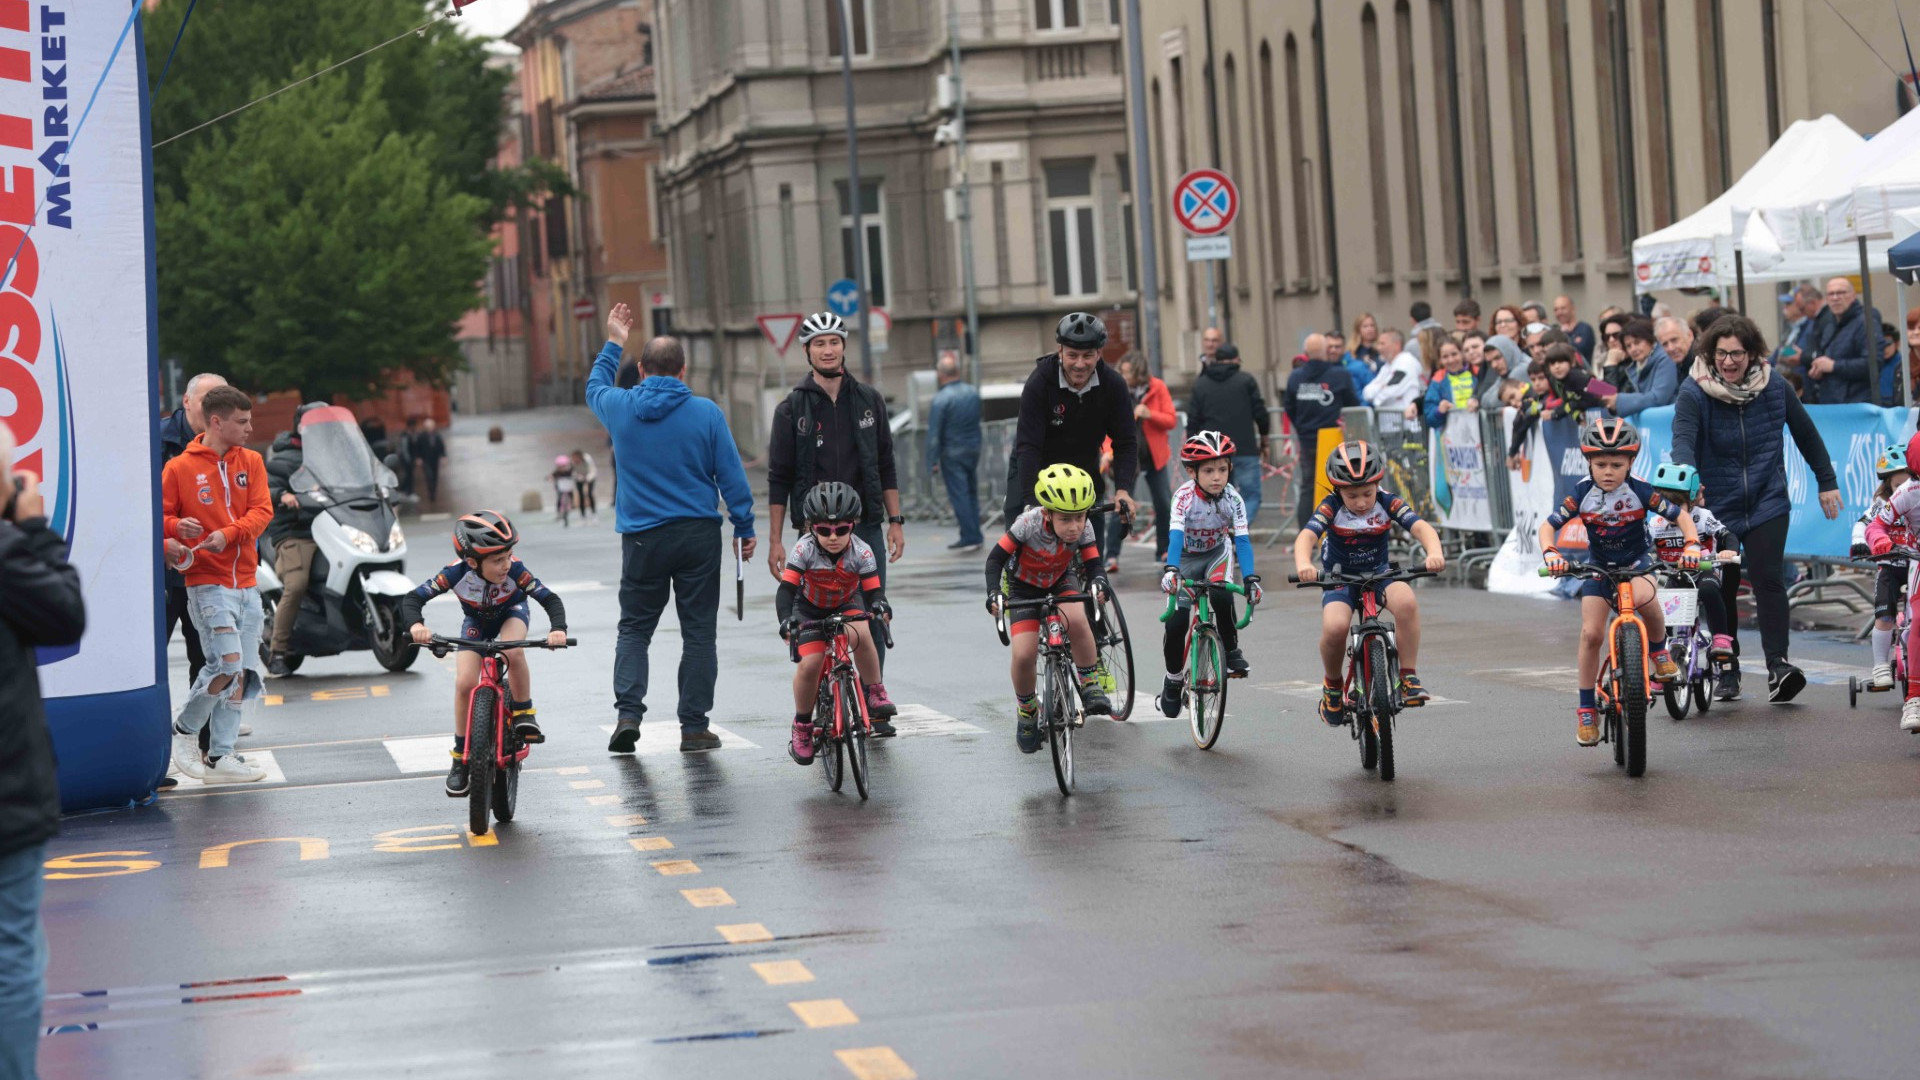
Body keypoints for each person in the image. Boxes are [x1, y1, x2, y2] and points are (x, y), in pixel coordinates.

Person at [589, 304, 757, 753]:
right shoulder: (706, 413)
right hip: (698, 536)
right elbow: (731, 477)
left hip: (643, 537)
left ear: (641, 370)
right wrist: (744, 526)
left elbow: (594, 387)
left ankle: (628, 714)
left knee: (634, 630)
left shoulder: (620, 407)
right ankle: (694, 727)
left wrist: (614, 341)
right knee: (698, 632)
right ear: (684, 371)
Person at [1671, 314, 1841, 703]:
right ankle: (1726, 665)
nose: (1729, 362)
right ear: (1710, 354)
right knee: (1725, 583)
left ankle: (1778, 665)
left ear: (1752, 354)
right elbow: (1683, 439)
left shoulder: (1774, 385)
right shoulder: (1694, 390)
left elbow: (1805, 433)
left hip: (1767, 497)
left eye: (1737, 354)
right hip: (1717, 502)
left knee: (1768, 578)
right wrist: (1688, 481)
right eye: (1722, 354)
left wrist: (1826, 481)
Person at [0, 420, 83, 1077]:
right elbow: (63, 615)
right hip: (6, 790)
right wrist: (32, 529)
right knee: (12, 951)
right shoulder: (8, 551)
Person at [1541, 419, 1702, 746]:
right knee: (1591, 634)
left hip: (1638, 562)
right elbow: (1549, 525)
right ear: (1589, 462)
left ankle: (1658, 653)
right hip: (1599, 567)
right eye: (1600, 464)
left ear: (1631, 462)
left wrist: (1692, 545)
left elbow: (1681, 517)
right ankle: (1587, 708)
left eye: (1617, 464)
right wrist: (1551, 553)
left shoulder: (1640, 489)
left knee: (1647, 602)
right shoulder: (1582, 492)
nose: (1608, 472)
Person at [768, 312, 904, 672]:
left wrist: (896, 521)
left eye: (834, 342)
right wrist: (776, 540)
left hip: (865, 526)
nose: (827, 350)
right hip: (815, 531)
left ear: (844, 346)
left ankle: (871, 695)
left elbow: (886, 463)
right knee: (816, 617)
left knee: (873, 612)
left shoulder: (869, 400)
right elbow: (778, 478)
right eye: (819, 344)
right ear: (807, 351)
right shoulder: (791, 409)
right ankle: (825, 694)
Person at [402, 511, 568, 794]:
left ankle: (523, 711)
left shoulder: (516, 570)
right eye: (497, 560)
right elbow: (413, 598)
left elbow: (549, 598)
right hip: (476, 622)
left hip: (512, 613)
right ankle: (460, 759)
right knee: (465, 682)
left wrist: (558, 629)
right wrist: (417, 625)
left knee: (513, 651)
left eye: (509, 556)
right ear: (472, 562)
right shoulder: (454, 573)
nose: (506, 565)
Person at [160, 386, 274, 783]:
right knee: (224, 664)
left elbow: (262, 511)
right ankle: (184, 732)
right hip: (206, 583)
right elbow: (157, 518)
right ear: (216, 421)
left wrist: (228, 535)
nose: (249, 427)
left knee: (241, 671)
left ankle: (221, 755)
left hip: (246, 583)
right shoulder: (178, 468)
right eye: (241, 421)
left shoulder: (253, 461)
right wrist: (175, 527)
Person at [1295, 441, 1445, 726]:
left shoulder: (1388, 500)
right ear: (1338, 490)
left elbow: (1421, 527)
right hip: (1340, 576)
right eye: (1352, 495)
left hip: (1378, 572)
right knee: (1336, 627)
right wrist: (1304, 564)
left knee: (1407, 603)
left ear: (1378, 484)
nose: (1362, 502)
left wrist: (1434, 553)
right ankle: (1332, 687)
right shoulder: (1331, 506)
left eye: (1367, 493)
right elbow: (1307, 537)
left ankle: (1408, 677)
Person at [984, 464, 1113, 752]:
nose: (1074, 526)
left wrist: (1099, 583)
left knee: (1078, 621)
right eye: (1066, 519)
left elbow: (1093, 564)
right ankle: (1028, 711)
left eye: (1079, 517)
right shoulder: (1027, 524)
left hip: (1059, 579)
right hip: (1023, 586)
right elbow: (994, 561)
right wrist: (994, 593)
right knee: (1023, 654)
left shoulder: (1084, 526)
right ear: (1047, 513)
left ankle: (1090, 683)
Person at [777, 482, 896, 762]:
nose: (833, 537)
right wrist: (786, 620)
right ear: (811, 528)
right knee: (810, 663)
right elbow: (786, 591)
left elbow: (874, 591)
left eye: (841, 530)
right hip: (807, 608)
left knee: (863, 632)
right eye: (824, 531)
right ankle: (803, 726)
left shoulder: (862, 551)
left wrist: (880, 604)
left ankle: (875, 691)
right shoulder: (803, 550)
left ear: (853, 526)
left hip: (846, 601)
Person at [1004, 312, 1139, 544]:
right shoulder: (1039, 383)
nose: (1080, 364)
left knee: (1092, 555)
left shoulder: (1113, 386)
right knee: (1022, 544)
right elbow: (1028, 446)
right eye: (1072, 355)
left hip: (1083, 469)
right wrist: (1031, 502)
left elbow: (1125, 442)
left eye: (1088, 355)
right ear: (1060, 352)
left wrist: (1123, 490)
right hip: (1035, 466)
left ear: (1099, 353)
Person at [1154, 432, 1262, 716]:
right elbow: (1175, 536)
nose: (1217, 477)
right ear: (1192, 471)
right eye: (1208, 470)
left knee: (1222, 594)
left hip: (1216, 553)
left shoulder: (1233, 499)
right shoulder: (1183, 497)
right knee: (1176, 624)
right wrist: (1172, 569)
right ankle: (1173, 679)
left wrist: (1250, 578)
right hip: (1186, 559)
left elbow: (1242, 540)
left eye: (1223, 469)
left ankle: (1231, 651)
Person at [159, 374, 225, 714]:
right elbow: (136, 501)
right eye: (206, 402)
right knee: (150, 657)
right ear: (186, 402)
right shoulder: (156, 441)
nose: (216, 411)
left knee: (208, 657)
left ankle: (203, 737)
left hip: (210, 572)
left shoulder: (229, 445)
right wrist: (163, 541)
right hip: (165, 571)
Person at [1648, 461, 1742, 695]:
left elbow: (1727, 534)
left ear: (1690, 501)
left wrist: (1729, 550)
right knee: (1663, 607)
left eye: (1677, 505)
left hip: (1704, 572)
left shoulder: (1702, 517)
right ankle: (1667, 660)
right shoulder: (1655, 524)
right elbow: (1641, 547)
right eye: (1664, 505)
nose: (1670, 512)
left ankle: (1721, 639)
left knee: (1710, 592)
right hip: (1676, 575)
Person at [264, 402, 328, 677]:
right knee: (297, 584)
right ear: (302, 426)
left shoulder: (331, 455)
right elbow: (268, 487)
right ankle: (278, 650)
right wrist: (283, 496)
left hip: (328, 527)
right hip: (294, 531)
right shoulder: (282, 457)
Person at [1864, 431, 1920, 731]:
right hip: (1912, 563)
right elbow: (1874, 525)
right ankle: (1914, 698)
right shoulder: (1908, 492)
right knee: (1916, 621)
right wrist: (1879, 540)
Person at [1186, 341, 1271, 525]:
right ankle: (1237, 529)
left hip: (1212, 452)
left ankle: (1223, 533)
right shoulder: (1246, 381)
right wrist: (1265, 440)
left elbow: (1193, 419)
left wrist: (1192, 451)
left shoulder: (1201, 384)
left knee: (1216, 495)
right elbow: (1261, 414)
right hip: (1244, 448)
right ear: (1236, 360)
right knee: (1251, 495)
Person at [1103, 352, 1177, 566]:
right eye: (1122, 372)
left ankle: (1163, 550)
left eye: (1127, 372)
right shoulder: (1116, 390)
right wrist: (1108, 451)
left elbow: (1171, 419)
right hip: (1127, 458)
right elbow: (1108, 426)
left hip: (1155, 456)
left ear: (1139, 372)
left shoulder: (1158, 387)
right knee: (1122, 503)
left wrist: (1149, 414)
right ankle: (1112, 555)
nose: (1123, 376)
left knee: (1164, 503)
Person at [1852, 445, 1911, 694]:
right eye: (1898, 486)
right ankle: (1880, 666)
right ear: (1888, 486)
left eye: (1909, 483)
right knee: (1884, 615)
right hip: (1889, 567)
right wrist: (1859, 543)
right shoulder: (1882, 504)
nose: (1904, 491)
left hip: (1915, 566)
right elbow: (1865, 524)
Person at [1285, 332, 1360, 526]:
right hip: (1333, 437)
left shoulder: (1295, 377)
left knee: (1308, 486)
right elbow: (1353, 405)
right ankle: (1339, 528)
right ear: (1326, 351)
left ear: (1305, 352)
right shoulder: (1339, 375)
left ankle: (1306, 533)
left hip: (1307, 437)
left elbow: (1289, 408)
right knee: (1339, 483)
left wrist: (1302, 426)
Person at [926, 352, 984, 552]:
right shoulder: (972, 392)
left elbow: (935, 432)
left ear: (941, 375)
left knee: (960, 495)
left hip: (952, 450)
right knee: (972, 492)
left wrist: (931, 460)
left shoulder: (941, 399)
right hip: (973, 448)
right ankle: (974, 534)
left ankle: (970, 536)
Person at [1807, 277, 1883, 404]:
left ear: (1853, 296)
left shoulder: (1866, 323)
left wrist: (1833, 366)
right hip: (1832, 403)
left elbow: (1873, 364)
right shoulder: (1830, 325)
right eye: (1831, 294)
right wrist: (1819, 371)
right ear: (1826, 299)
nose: (1835, 297)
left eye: (1841, 292)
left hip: (1858, 405)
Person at [1601, 317, 1678, 416]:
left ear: (1650, 340)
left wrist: (1619, 400)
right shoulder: (1634, 366)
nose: (1633, 349)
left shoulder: (1665, 360)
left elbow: (1658, 398)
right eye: (1628, 346)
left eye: (1637, 342)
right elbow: (1611, 397)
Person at [1361, 329, 1424, 424]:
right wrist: (1381, 386)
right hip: (1389, 428)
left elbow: (1389, 392)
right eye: (1378, 344)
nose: (1379, 348)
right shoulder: (1386, 367)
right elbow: (1367, 393)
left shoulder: (1406, 362)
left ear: (1397, 345)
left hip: (1407, 427)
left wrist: (1378, 393)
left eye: (1383, 344)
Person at [1415, 337, 1478, 430]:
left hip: (1479, 432)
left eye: (1454, 354)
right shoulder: (1438, 380)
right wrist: (1439, 411)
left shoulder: (1477, 373)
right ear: (1440, 360)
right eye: (1445, 357)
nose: (1451, 360)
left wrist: (1477, 401)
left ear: (1462, 353)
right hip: (1452, 438)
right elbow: (1429, 418)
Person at [411, 418, 448, 502]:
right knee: (429, 476)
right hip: (425, 459)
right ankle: (431, 493)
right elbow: (417, 448)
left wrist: (443, 456)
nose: (430, 428)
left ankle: (433, 491)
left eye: (431, 426)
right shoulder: (421, 436)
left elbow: (441, 447)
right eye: (428, 426)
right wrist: (418, 458)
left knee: (435, 476)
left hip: (435, 459)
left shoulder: (437, 435)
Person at [1553, 295, 1597, 361]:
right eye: (1556, 310)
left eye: (1563, 308)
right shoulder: (1555, 331)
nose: (1559, 312)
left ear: (1573, 309)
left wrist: (1565, 335)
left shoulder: (1585, 329)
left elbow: (1579, 351)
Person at [572, 449, 600, 524]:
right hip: (579, 478)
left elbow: (593, 470)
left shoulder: (587, 459)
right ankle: (583, 516)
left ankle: (594, 514)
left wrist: (588, 478)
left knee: (590, 494)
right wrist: (579, 477)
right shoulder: (572, 462)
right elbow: (573, 472)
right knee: (581, 496)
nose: (575, 460)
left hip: (590, 477)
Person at [550, 454, 577, 526]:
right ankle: (559, 512)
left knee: (571, 496)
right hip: (560, 488)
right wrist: (550, 478)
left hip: (568, 488)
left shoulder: (569, 471)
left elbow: (574, 472)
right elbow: (551, 476)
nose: (562, 468)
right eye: (560, 466)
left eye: (563, 466)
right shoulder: (556, 472)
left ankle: (572, 505)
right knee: (559, 498)